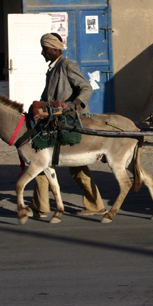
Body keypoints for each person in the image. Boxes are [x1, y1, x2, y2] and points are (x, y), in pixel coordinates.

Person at [29, 32, 107, 217]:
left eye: (45, 49)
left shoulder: (67, 66)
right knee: (48, 163)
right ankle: (42, 206)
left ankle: (42, 207)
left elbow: (86, 88)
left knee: (48, 163)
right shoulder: (53, 68)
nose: (42, 53)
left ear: (55, 48)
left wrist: (73, 105)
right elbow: (47, 97)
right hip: (54, 122)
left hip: (68, 123)